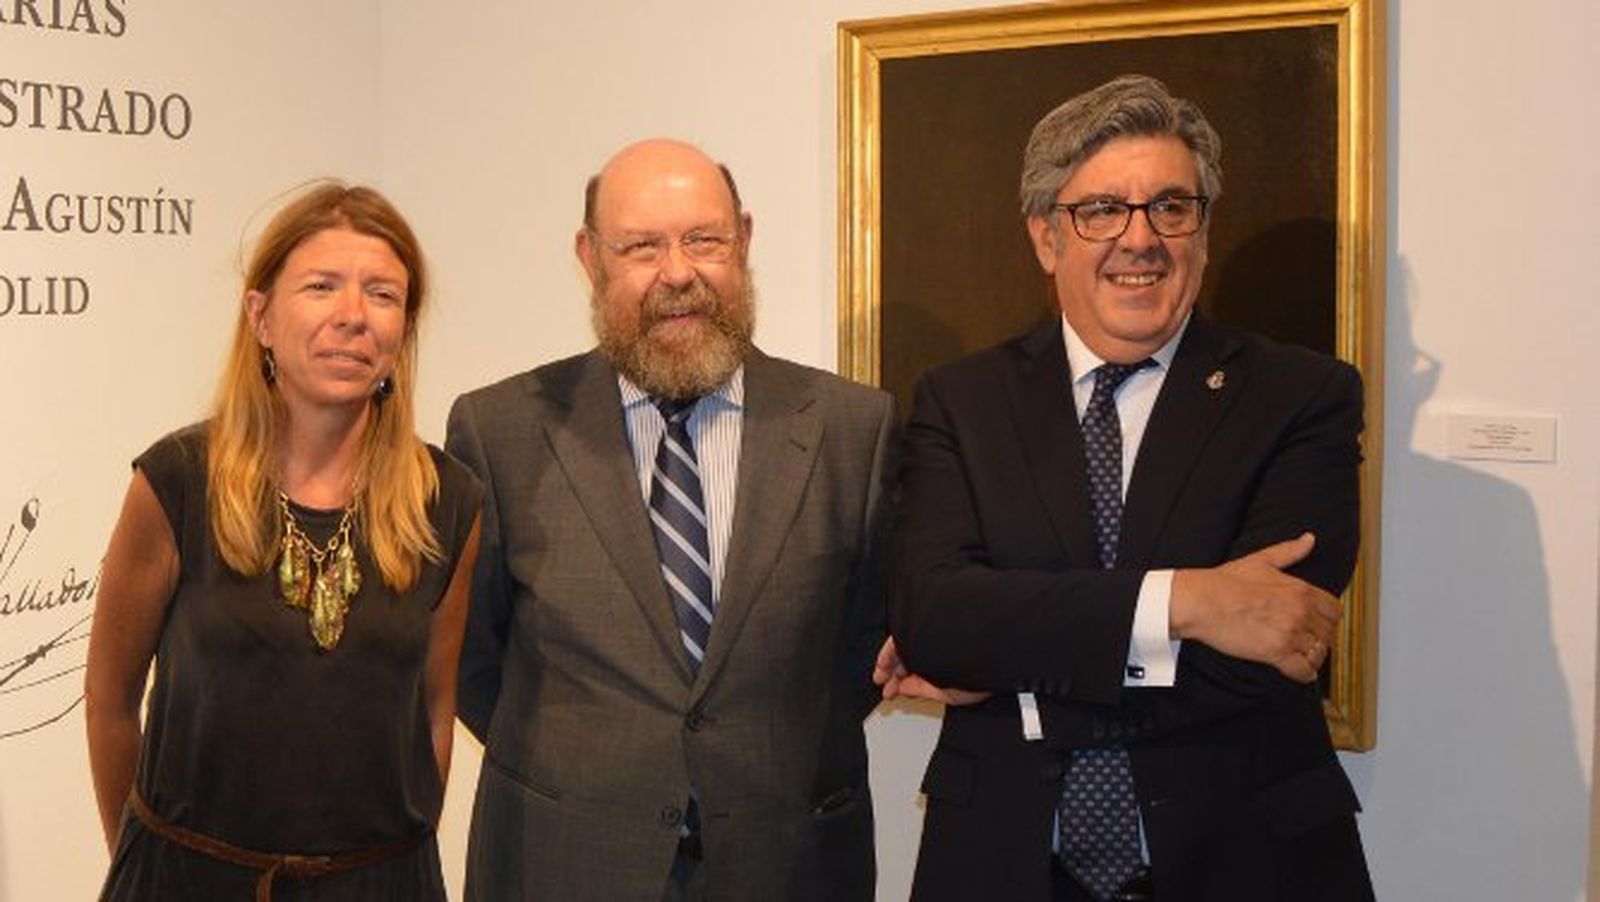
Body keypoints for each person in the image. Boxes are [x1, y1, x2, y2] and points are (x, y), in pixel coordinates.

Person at [878, 75, 1375, 901]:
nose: (1140, 238)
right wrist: (1186, 602)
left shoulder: (1302, 397)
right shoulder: (959, 400)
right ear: (1046, 238)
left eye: (1171, 207)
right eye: (1103, 210)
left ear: (1203, 232)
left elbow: (1270, 648)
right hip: (1002, 865)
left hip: (1248, 862)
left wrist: (1022, 692)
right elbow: (937, 622)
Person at [446, 138, 896, 901]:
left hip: (788, 864)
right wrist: (596, 779)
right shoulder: (500, 432)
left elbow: (861, 656)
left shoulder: (853, 429)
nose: (678, 273)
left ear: (743, 241)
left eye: (704, 240)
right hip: (565, 865)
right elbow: (470, 661)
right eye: (642, 247)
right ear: (590, 259)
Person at [84, 183, 482, 901]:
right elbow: (111, 701)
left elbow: (434, 712)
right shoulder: (177, 481)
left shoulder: (448, 501)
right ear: (261, 316)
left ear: (404, 328)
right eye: (321, 286)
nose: (352, 316)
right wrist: (145, 865)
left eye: (383, 295)